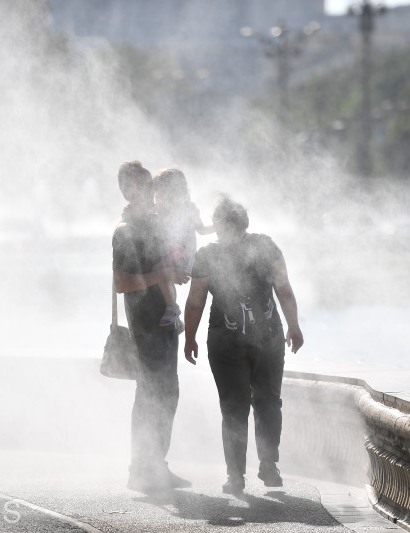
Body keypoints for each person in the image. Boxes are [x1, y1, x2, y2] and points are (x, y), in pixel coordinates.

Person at [183, 196, 304, 495]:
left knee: (233, 407)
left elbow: (196, 301)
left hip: (226, 341)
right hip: (268, 337)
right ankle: (269, 465)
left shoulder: (208, 255)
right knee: (268, 400)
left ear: (220, 225)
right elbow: (284, 289)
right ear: (244, 223)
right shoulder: (266, 247)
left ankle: (235, 476)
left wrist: (189, 338)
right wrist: (294, 326)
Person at [112, 161, 191, 492]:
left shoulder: (155, 226)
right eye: (144, 186)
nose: (152, 192)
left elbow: (167, 269)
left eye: (152, 186)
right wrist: (164, 275)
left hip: (164, 321)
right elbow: (121, 283)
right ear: (128, 190)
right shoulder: (125, 232)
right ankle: (140, 469)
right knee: (150, 394)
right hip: (144, 324)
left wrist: (175, 300)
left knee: (167, 392)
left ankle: (155, 465)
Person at [152, 168, 215, 330]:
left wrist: (218, 227)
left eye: (160, 193)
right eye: (156, 194)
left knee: (159, 271)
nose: (156, 198)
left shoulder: (188, 209)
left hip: (183, 254)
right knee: (160, 274)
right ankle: (173, 313)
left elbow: (201, 229)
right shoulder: (159, 211)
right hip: (171, 251)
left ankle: (172, 308)